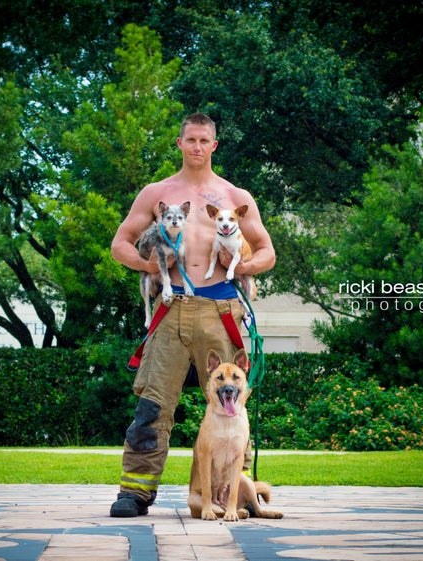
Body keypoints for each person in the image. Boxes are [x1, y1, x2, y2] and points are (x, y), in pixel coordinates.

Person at [109, 112, 276, 517]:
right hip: (170, 307)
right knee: (153, 402)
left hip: (221, 307)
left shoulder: (236, 197)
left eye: (205, 140)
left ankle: (238, 493)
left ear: (214, 146)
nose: (197, 147)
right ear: (179, 144)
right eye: (191, 140)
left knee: (232, 400)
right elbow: (120, 244)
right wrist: (148, 266)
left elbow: (268, 251)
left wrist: (245, 266)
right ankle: (136, 491)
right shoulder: (157, 194)